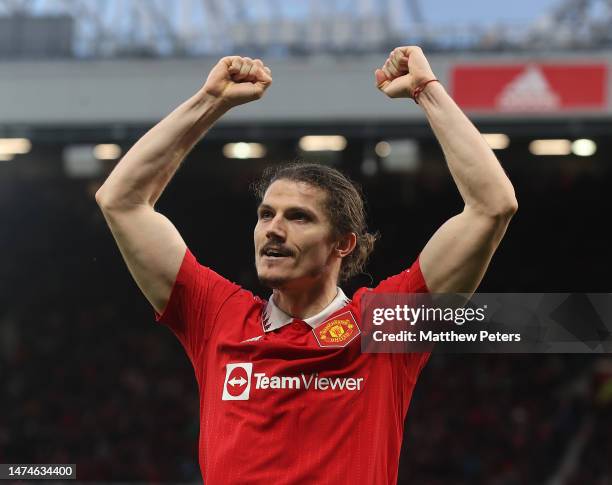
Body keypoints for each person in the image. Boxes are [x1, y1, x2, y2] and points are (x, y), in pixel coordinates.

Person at [95, 47, 517, 484]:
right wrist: (210, 100)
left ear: (342, 244)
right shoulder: (217, 317)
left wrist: (426, 92)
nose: (273, 229)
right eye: (265, 215)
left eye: (298, 217)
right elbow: (120, 201)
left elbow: (492, 206)